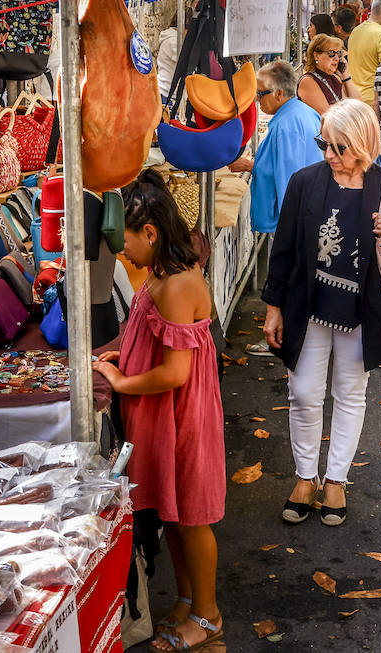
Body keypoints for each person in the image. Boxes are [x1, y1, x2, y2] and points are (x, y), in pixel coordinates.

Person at [261, 99, 381, 528]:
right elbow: (284, 251)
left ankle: (335, 480)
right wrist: (273, 307)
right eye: (324, 144)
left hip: (362, 310)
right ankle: (304, 476)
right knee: (304, 393)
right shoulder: (304, 183)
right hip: (307, 306)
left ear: (363, 144)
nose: (329, 154)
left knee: (349, 396)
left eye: (339, 146)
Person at [91, 172, 224, 653]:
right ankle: (190, 598)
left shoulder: (175, 286)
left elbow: (174, 373)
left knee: (192, 517)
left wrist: (125, 381)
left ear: (150, 233)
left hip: (182, 415)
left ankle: (209, 617)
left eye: (126, 245)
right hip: (168, 414)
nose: (123, 255)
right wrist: (119, 356)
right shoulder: (161, 275)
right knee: (177, 515)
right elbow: (145, 337)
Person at [233, 61, 323, 236]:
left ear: (279, 93)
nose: (257, 100)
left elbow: (289, 181)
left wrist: (288, 233)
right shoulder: (301, 111)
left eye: (260, 94)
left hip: (293, 224)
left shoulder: (287, 125)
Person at [298, 34, 358, 115]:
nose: (336, 58)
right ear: (316, 56)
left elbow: (357, 105)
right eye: (331, 53)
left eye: (339, 53)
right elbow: (328, 115)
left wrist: (346, 77)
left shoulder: (335, 78)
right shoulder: (307, 81)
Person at [155, 9, 181, 105]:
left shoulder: (171, 38)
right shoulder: (174, 41)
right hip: (167, 94)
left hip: (164, 91)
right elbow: (185, 63)